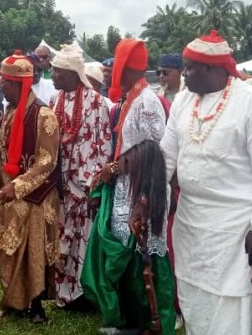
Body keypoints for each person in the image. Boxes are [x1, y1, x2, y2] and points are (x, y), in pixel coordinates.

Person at [161, 30, 252, 334]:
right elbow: (167, 155)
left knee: (233, 306)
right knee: (194, 296)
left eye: (188, 68)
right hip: (190, 222)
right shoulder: (184, 101)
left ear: (211, 69)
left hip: (236, 228)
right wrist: (152, 200)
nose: (183, 75)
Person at [81, 38, 175, 334]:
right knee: (123, 257)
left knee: (143, 259)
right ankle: (126, 320)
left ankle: (148, 323)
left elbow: (156, 153)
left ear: (125, 67)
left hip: (142, 191)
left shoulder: (147, 102)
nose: (108, 73)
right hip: (124, 189)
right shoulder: (129, 98)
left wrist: (144, 199)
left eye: (114, 66)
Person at [0, 51, 61, 324]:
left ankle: (36, 306)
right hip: (10, 194)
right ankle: (13, 301)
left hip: (37, 196)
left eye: (5, 83)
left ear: (20, 84)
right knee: (9, 250)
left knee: (33, 251)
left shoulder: (44, 116)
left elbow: (46, 162)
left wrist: (17, 187)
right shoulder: (8, 112)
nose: (0, 88)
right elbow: (6, 152)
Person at [48, 45, 112, 308]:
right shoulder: (55, 101)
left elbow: (103, 145)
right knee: (64, 236)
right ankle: (65, 293)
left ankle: (86, 294)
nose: (52, 76)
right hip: (62, 184)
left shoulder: (96, 101)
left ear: (73, 74)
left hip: (87, 185)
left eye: (57, 72)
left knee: (85, 238)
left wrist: (96, 187)